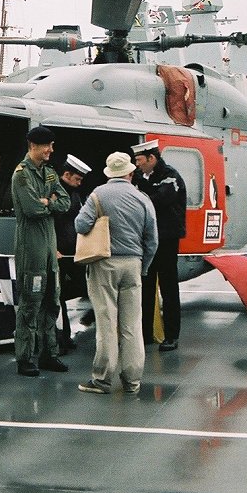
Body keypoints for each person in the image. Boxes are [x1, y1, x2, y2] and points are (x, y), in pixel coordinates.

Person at [74, 152, 158, 395]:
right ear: (130, 173)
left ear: (109, 173)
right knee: (132, 325)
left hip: (104, 264)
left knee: (107, 323)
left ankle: (102, 380)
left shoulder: (98, 194)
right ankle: (132, 381)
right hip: (133, 264)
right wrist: (143, 266)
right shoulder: (142, 199)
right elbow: (152, 240)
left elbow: (80, 225)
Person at [10, 126, 71, 377]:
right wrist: (49, 202)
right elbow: (33, 209)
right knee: (31, 303)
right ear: (33, 146)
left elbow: (66, 202)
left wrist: (49, 201)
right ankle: (25, 357)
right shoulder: (22, 176)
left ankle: (49, 354)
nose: (51, 151)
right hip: (31, 248)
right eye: (47, 146)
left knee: (52, 301)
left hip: (49, 248)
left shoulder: (48, 173)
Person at [131, 139, 186, 352]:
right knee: (145, 287)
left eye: (140, 160)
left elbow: (159, 199)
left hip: (166, 239)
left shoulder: (170, 176)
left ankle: (172, 335)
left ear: (152, 158)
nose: (137, 165)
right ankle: (145, 333)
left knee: (168, 287)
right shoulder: (144, 177)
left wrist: (140, 190)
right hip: (147, 239)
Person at [53, 153, 91, 353]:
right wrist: (53, 248)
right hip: (59, 253)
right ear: (66, 174)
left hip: (72, 253)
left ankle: (64, 336)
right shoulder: (55, 193)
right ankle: (62, 337)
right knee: (57, 297)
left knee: (76, 289)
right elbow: (48, 223)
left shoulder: (74, 194)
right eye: (77, 178)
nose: (79, 183)